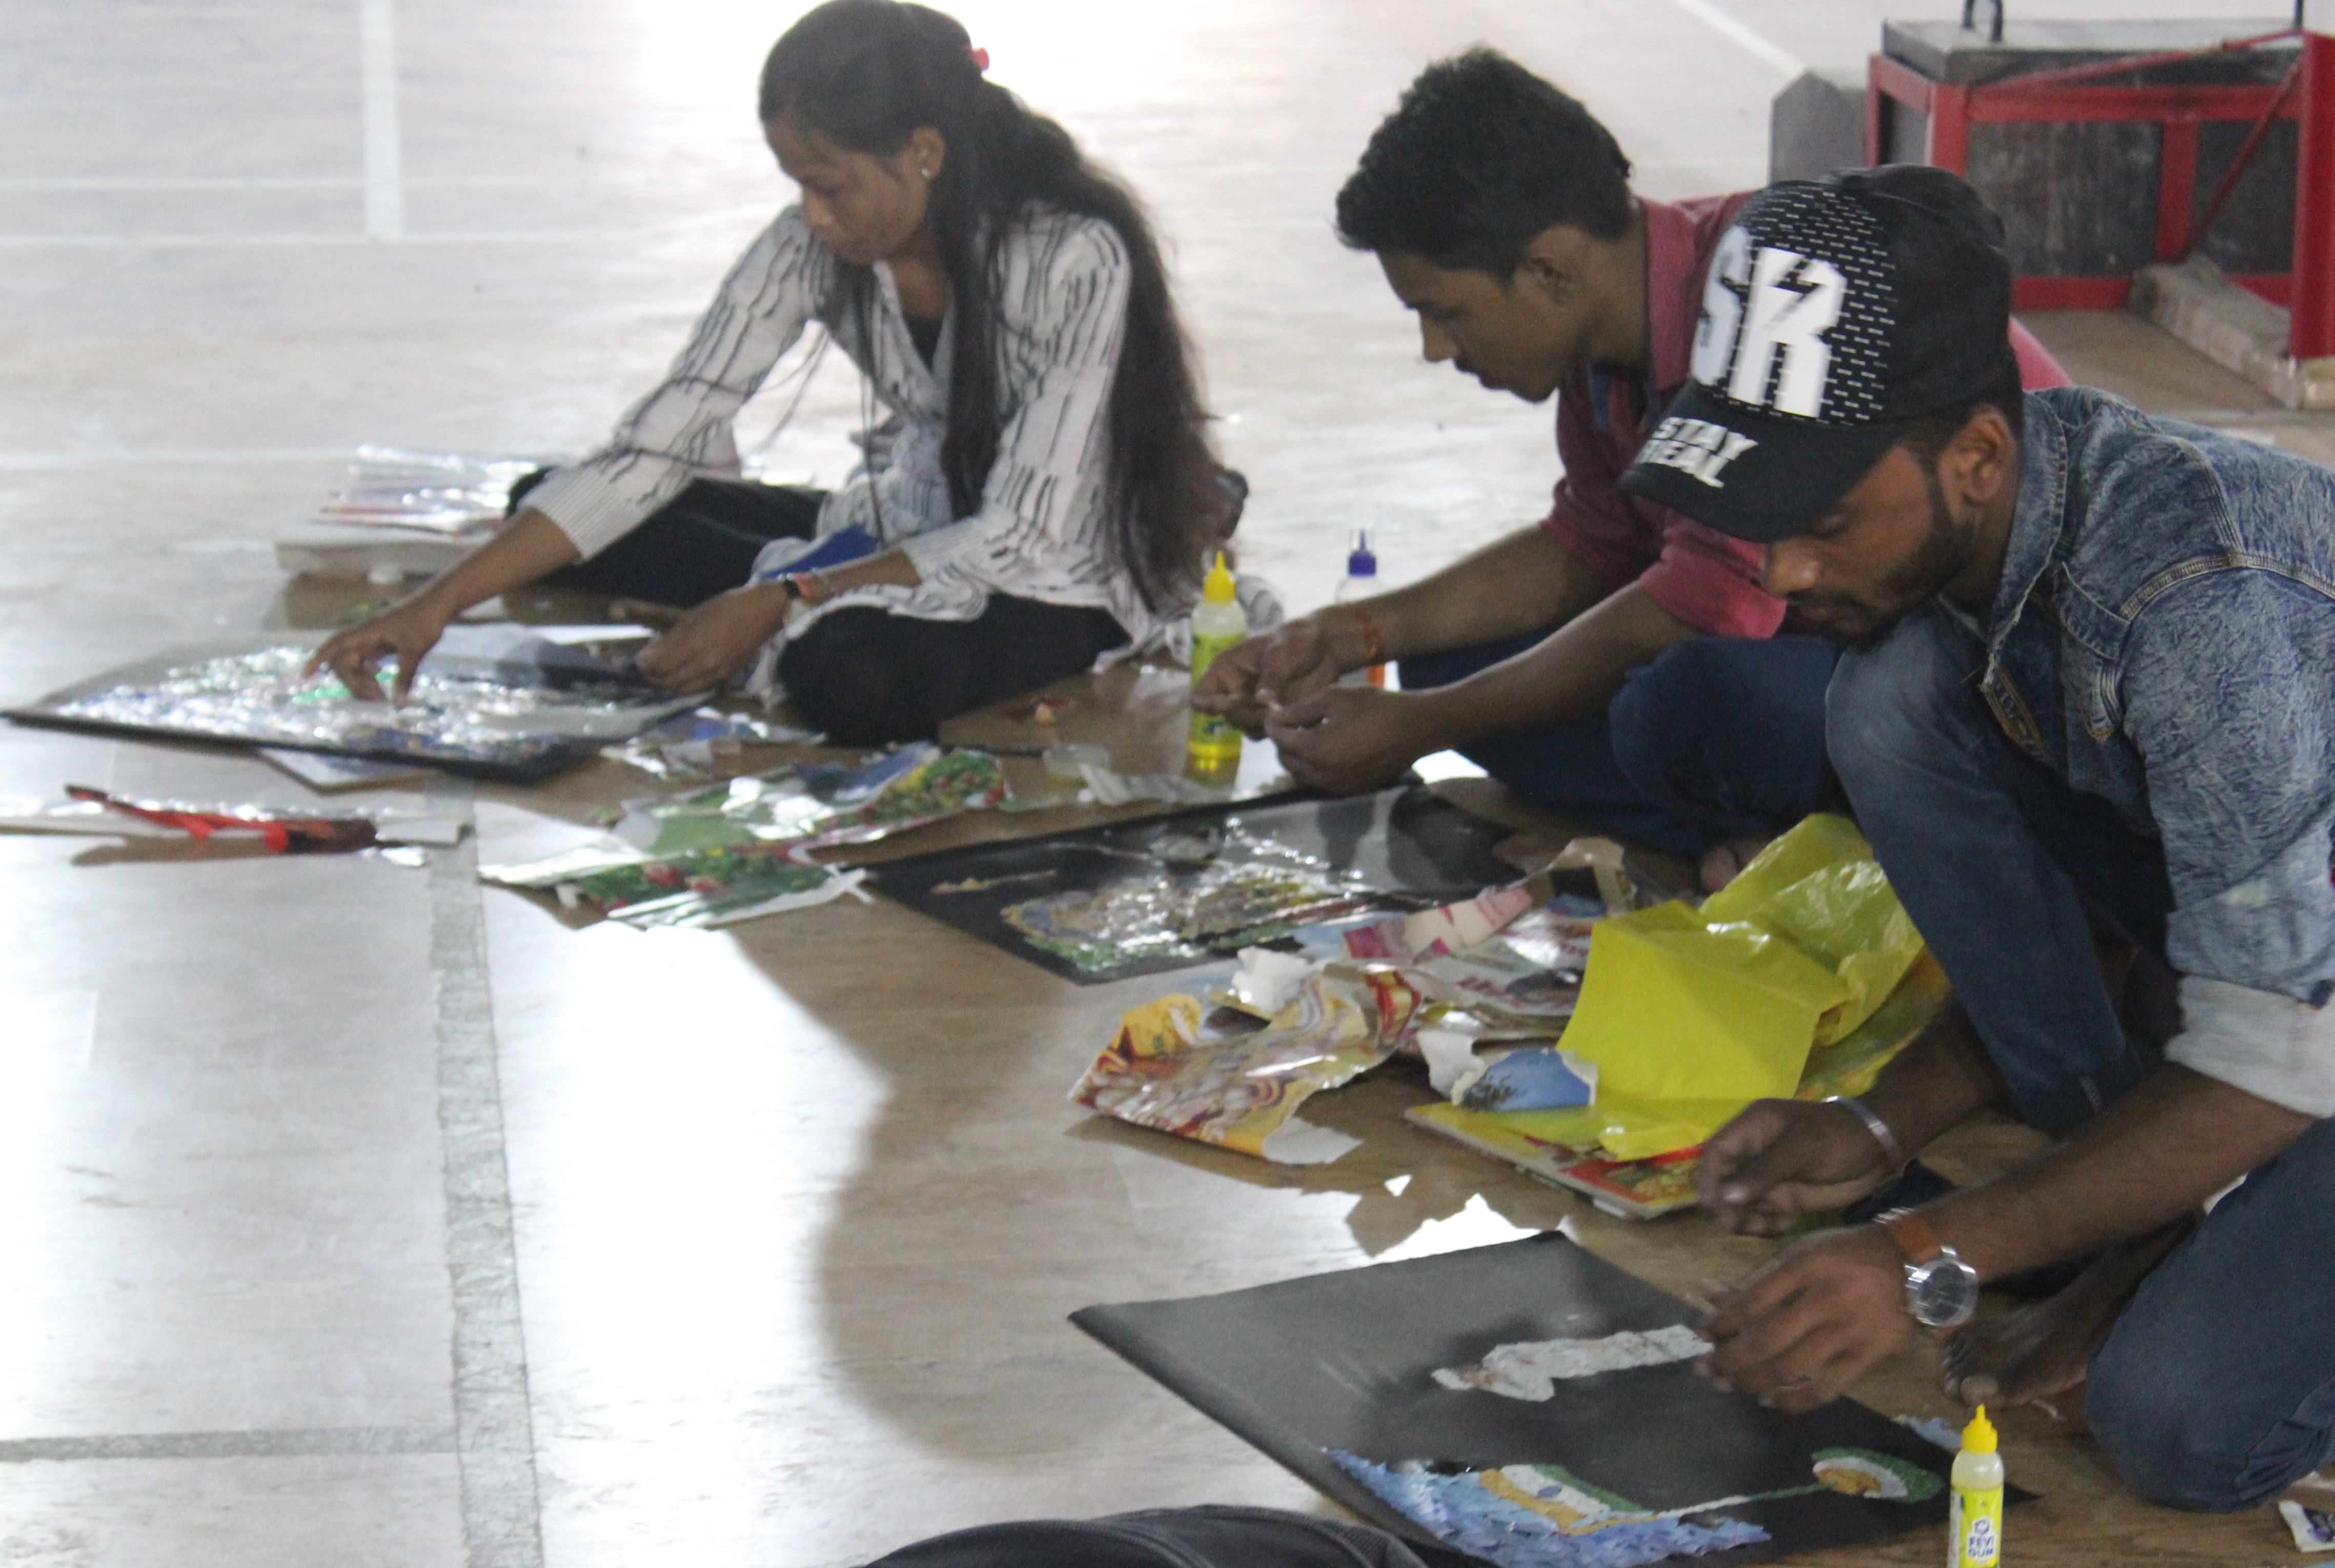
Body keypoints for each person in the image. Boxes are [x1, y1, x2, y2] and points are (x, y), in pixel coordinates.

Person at [1635, 168, 2335, 1513]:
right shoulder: (1995, 554)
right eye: (1760, 517)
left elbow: (2273, 1053)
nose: (1777, 570)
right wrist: (1878, 1122)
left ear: (1972, 455)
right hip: (2296, 991)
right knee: (1883, 700)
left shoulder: (2190, 605)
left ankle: (2161, 1243)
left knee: (2181, 1418)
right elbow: (2121, 918)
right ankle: (2143, 1229)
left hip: (2301, 1034)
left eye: (1823, 518)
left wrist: (1916, 1251)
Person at [1192, 50, 2064, 889]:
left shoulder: (1763, 299)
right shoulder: (1608, 343)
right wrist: (1351, 635)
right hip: (1817, 645)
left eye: (1447, 312)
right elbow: (1589, 545)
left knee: (1689, 700)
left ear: (1549, 270)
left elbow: (1711, 607)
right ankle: (1759, 831)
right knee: (1445, 660)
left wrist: (1426, 728)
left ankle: (1845, 845)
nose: (1434, 348)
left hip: (1979, 670)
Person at [314, 0, 1226, 745]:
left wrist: (782, 596)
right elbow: (660, 442)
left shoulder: (1070, 257)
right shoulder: (813, 245)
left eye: (829, 184)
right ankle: (790, 605)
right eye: (798, 184)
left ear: (925, 154)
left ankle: (797, 612)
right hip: (917, 526)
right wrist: (435, 606)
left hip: (1054, 571)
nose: (813, 215)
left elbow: (1021, 534)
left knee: (852, 680)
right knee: (555, 503)